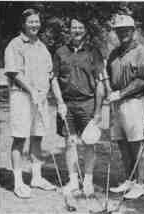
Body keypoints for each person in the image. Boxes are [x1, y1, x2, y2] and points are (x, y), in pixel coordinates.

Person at [4, 9, 67, 199]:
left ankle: (36, 177)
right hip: (22, 96)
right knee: (20, 138)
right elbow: (14, 73)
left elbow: (51, 75)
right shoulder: (14, 45)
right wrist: (32, 91)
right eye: (30, 22)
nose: (34, 25)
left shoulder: (42, 47)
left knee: (37, 136)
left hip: (40, 97)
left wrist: (58, 100)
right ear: (23, 24)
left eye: (37, 22)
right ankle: (18, 182)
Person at [52, 17, 104, 197]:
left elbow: (99, 83)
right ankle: (73, 181)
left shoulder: (94, 52)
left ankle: (88, 181)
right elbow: (54, 80)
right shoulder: (60, 52)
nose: (77, 31)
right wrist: (59, 102)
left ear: (85, 31)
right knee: (70, 142)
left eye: (80, 27)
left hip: (88, 104)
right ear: (69, 30)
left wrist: (97, 112)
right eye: (74, 27)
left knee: (89, 143)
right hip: (67, 105)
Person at [107, 14, 144, 199]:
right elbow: (108, 75)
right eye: (119, 30)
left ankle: (140, 184)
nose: (123, 33)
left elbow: (143, 80)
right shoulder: (114, 53)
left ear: (133, 31)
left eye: (126, 30)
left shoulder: (141, 50)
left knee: (136, 143)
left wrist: (121, 94)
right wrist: (111, 93)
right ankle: (129, 180)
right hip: (117, 102)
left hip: (134, 102)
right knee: (122, 143)